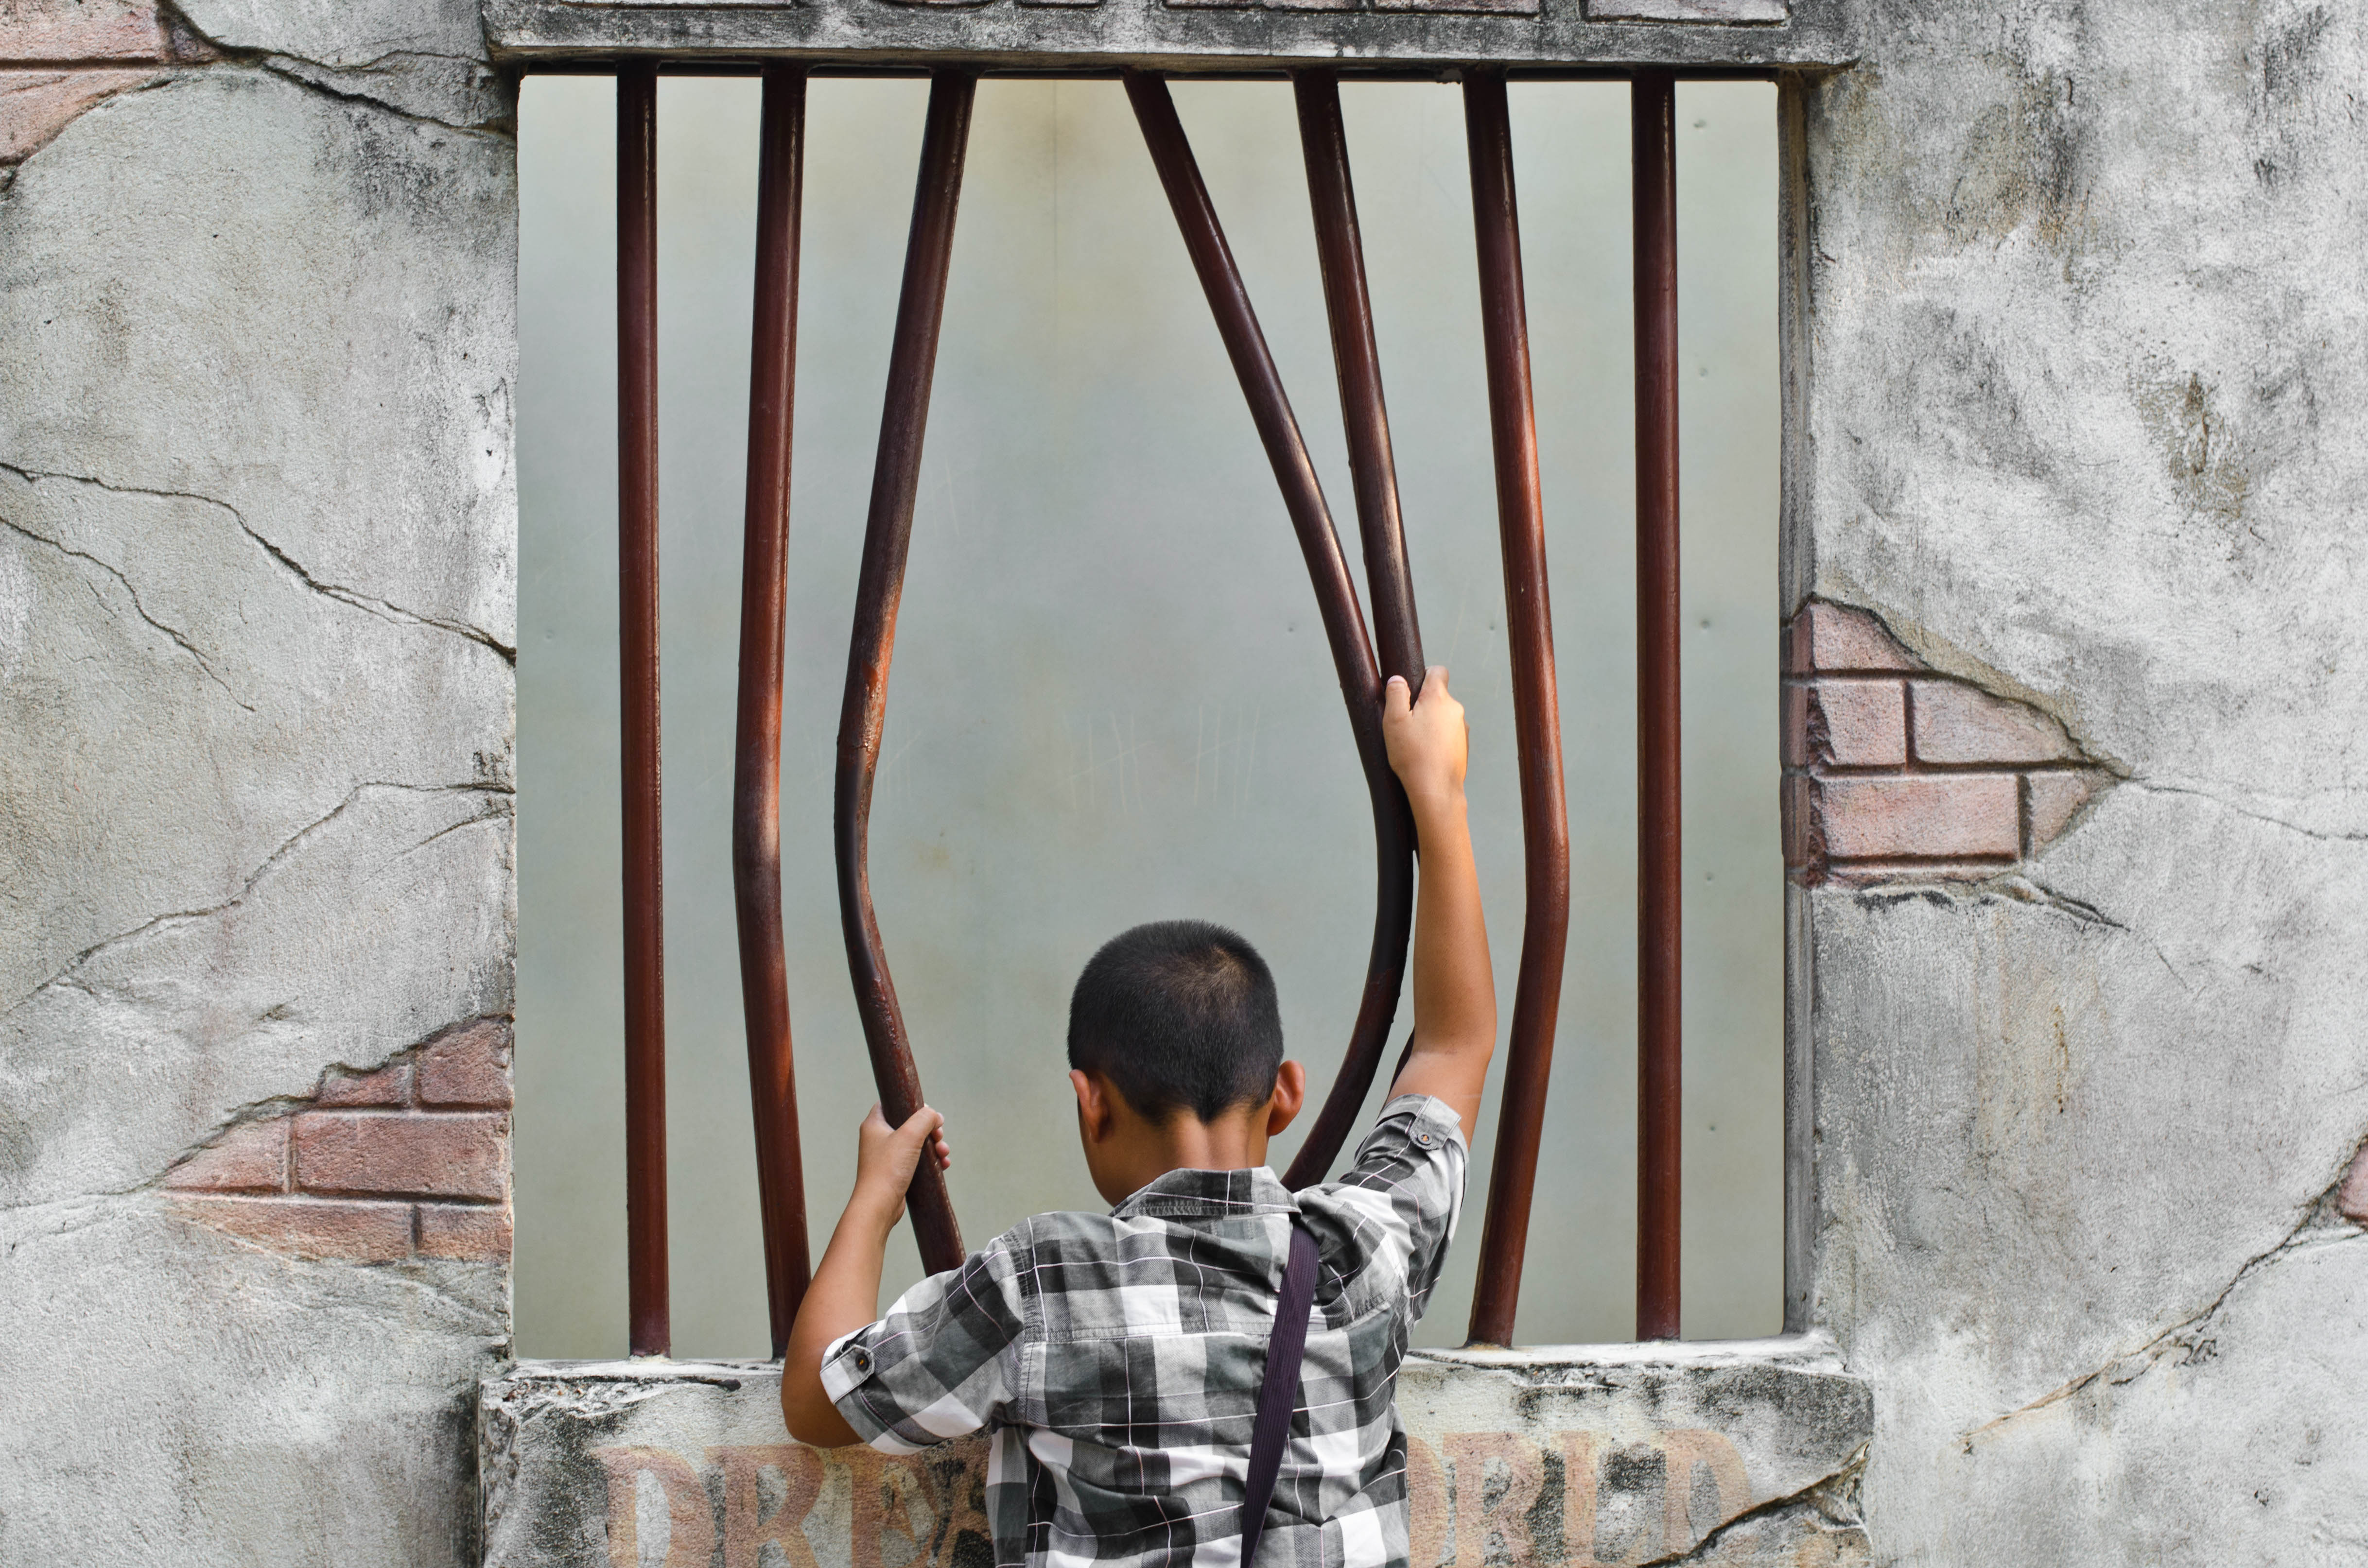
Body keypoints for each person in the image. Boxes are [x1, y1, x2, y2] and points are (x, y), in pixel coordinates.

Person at [781, 668, 1495, 1568]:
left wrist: (876, 1199)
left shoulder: (1042, 1284)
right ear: (1285, 1093)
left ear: (1092, 1103)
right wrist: (1438, 792)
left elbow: (817, 1399)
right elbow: (1454, 1047)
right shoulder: (1365, 1251)